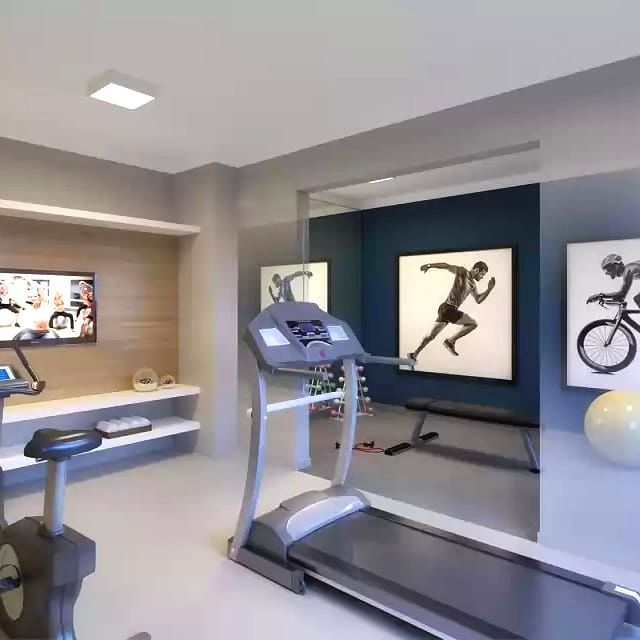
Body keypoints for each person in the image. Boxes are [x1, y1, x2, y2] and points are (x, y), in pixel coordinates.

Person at [408, 260, 495, 360]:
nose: (482, 277)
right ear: (477, 270)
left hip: (447, 311)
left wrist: (489, 289)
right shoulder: (463, 272)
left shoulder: (473, 285)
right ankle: (450, 341)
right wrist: (429, 265)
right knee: (473, 324)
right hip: (448, 308)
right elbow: (446, 266)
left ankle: (413, 355)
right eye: (482, 274)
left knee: (430, 336)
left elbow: (478, 299)